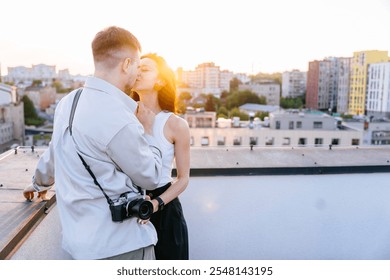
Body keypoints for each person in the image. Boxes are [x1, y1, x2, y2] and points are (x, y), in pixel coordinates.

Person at [23, 26, 163, 260]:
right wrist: (150, 132)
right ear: (126, 64)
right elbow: (151, 176)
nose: (137, 73)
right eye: (137, 65)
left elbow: (54, 153)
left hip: (81, 247)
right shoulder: (119, 118)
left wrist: (37, 185)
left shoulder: (68, 103)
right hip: (122, 247)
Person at [131, 53, 190, 259]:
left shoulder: (176, 124)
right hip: (130, 207)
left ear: (161, 80)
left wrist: (156, 204)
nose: (138, 71)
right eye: (136, 67)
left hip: (165, 210)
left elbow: (183, 179)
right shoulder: (123, 117)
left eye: (145, 69)